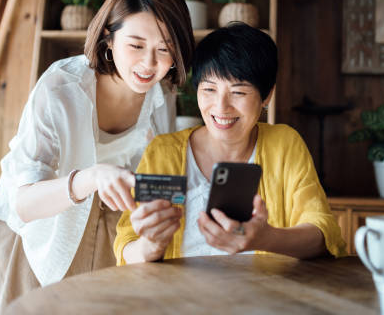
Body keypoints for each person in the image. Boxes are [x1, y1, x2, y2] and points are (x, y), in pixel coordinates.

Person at [0, 0, 195, 314]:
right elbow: (23, 203)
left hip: (109, 234)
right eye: (136, 45)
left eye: (164, 50)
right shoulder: (61, 87)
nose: (149, 64)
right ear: (108, 38)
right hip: (35, 238)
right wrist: (92, 177)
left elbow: (158, 178)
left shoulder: (162, 94)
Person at [114, 23, 346, 264]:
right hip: (179, 298)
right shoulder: (163, 152)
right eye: (209, 90)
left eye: (238, 92)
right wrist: (150, 246)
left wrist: (265, 238)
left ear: (266, 95)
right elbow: (126, 245)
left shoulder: (283, 144)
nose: (221, 107)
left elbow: (324, 234)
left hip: (264, 297)